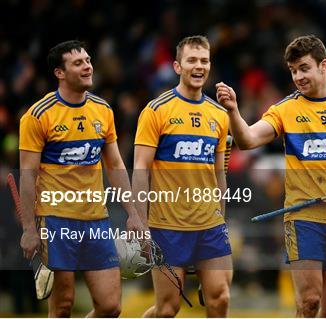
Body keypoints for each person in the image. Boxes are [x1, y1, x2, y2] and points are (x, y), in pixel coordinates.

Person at [216, 35, 326, 317]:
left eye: (304, 68)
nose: (298, 76)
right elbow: (248, 140)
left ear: (323, 65)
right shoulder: (285, 109)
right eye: (293, 71)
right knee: (309, 302)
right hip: (303, 218)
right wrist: (233, 111)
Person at [18, 40, 145, 317]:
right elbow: (27, 176)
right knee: (63, 306)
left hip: (96, 220)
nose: (88, 66)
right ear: (59, 73)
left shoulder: (103, 110)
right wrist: (29, 228)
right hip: (55, 219)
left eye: (87, 60)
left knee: (110, 307)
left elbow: (114, 164)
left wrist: (132, 213)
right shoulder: (38, 116)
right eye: (78, 63)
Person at [133, 35, 232, 318]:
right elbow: (141, 169)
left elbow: (219, 174)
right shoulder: (156, 110)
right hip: (167, 227)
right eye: (192, 60)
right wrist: (139, 220)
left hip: (210, 226)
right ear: (177, 66)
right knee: (167, 309)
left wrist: (221, 218)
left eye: (204, 60)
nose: (198, 66)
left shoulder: (219, 114)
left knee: (220, 298)